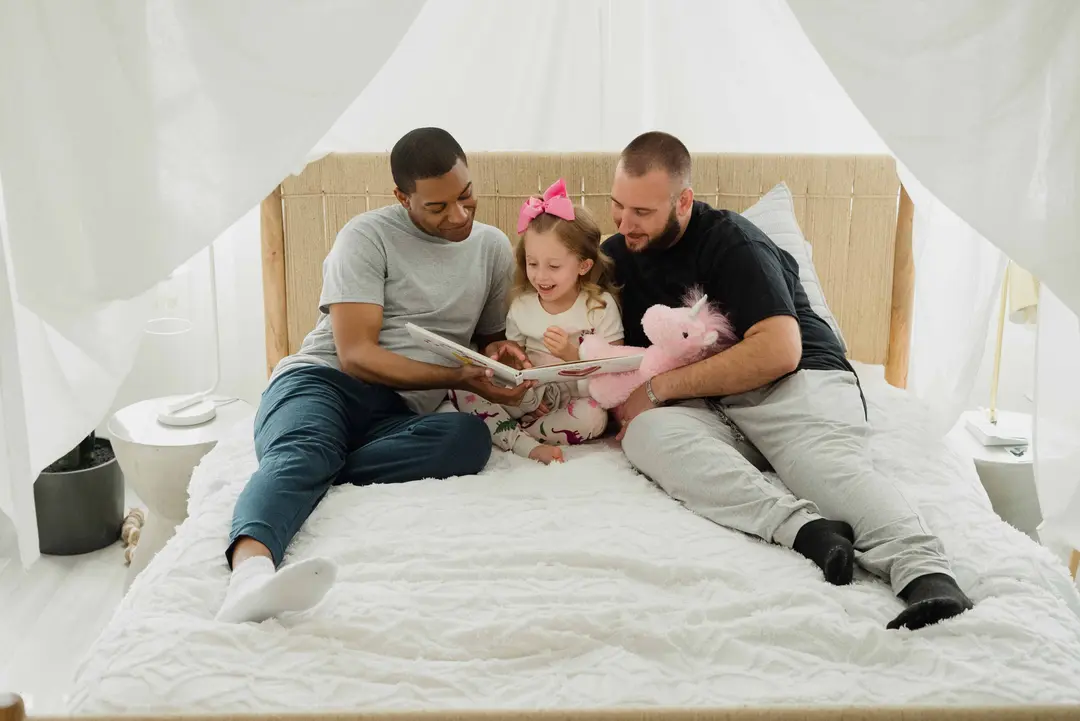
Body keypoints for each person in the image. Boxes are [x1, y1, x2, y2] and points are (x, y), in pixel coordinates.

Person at [604, 131, 974, 631]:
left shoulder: (733, 242)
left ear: (684, 201)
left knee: (825, 469)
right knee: (649, 438)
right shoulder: (618, 255)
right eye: (617, 206)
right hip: (713, 406)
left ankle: (927, 574)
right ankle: (808, 531)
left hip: (794, 384)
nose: (626, 224)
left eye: (642, 213)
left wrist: (658, 390)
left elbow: (779, 350)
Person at [216, 127, 533, 624]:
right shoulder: (367, 236)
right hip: (323, 383)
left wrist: (500, 353)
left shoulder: (491, 248)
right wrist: (461, 377)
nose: (459, 214)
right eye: (437, 207)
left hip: (401, 411)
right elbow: (356, 356)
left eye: (465, 196)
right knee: (303, 450)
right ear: (402, 198)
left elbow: (485, 338)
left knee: (467, 440)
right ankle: (249, 579)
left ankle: (321, 463)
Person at [450, 178, 621, 465]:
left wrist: (571, 355)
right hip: (528, 396)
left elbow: (615, 374)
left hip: (573, 402)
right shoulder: (522, 305)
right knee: (460, 385)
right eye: (532, 263)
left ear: (583, 265)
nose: (541, 276)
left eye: (553, 266)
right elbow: (514, 363)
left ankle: (518, 437)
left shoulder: (600, 307)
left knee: (595, 416)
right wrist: (511, 366)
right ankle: (523, 438)